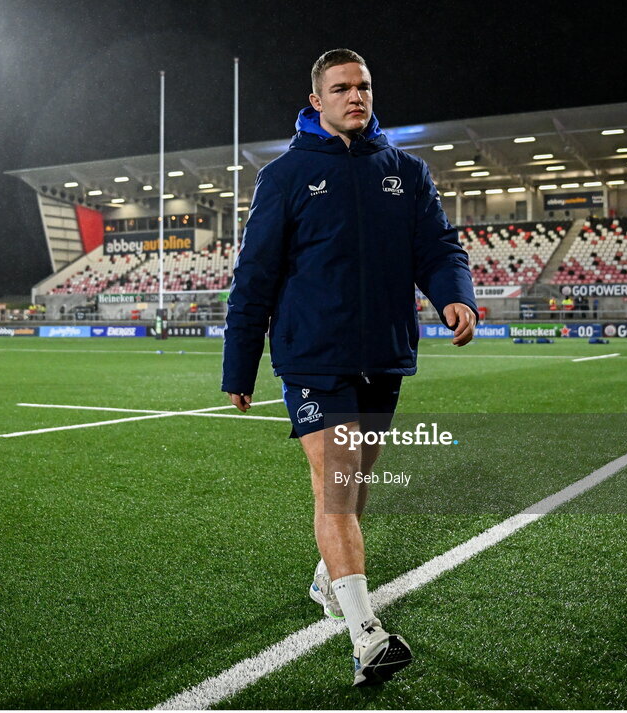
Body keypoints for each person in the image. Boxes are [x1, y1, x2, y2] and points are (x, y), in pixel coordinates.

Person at [221, 48, 477, 687]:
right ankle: (367, 635)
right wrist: (241, 365)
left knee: (357, 483)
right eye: (340, 89)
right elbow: (255, 276)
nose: (354, 97)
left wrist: (455, 295)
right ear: (317, 100)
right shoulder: (284, 176)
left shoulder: (407, 173)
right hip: (313, 354)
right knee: (336, 479)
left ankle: (326, 577)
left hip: (384, 353)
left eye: (362, 87)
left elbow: (438, 248)